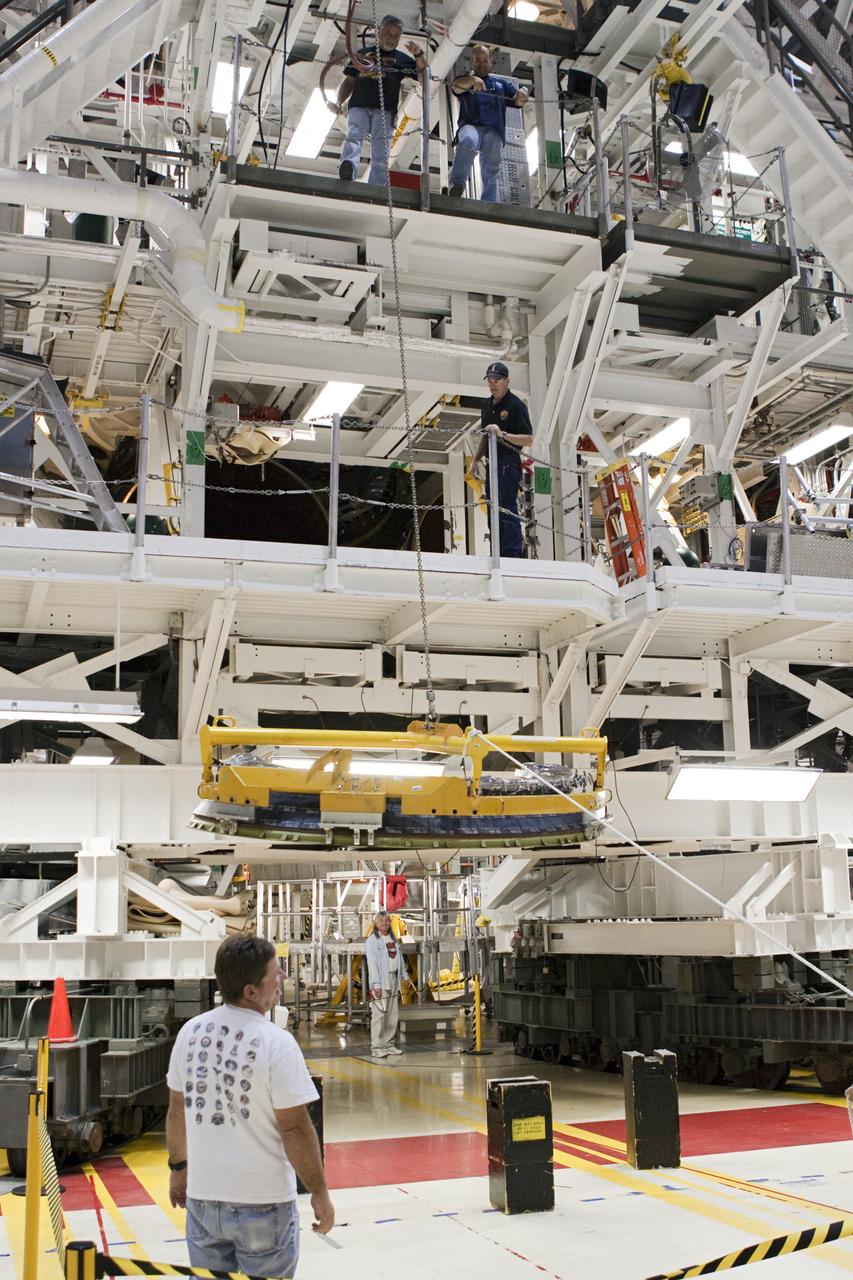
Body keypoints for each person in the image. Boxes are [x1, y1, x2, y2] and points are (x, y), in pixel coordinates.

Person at [166, 935, 334, 1278]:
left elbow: (177, 1111)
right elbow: (296, 1128)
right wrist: (319, 1191)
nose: (283, 977)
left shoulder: (190, 1033)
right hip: (263, 1204)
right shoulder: (276, 1043)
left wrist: (178, 1169)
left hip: (204, 1204)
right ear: (250, 991)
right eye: (276, 972)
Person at [338, 15, 425, 186]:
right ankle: (348, 168)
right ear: (379, 32)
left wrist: (419, 54)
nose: (391, 38)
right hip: (359, 105)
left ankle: (377, 187)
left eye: (395, 36)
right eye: (388, 33)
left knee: (381, 151)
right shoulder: (362, 54)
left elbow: (423, 75)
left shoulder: (401, 59)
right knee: (354, 136)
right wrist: (339, 102)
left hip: (385, 110)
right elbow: (349, 80)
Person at [448, 45, 529, 201]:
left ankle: (489, 200)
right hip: (472, 127)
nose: (481, 63)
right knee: (468, 140)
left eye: (485, 60)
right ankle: (457, 185)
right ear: (471, 61)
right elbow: (456, 88)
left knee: (492, 164)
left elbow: (518, 101)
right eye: (477, 60)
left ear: (491, 61)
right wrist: (472, 80)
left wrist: (523, 93)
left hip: (494, 131)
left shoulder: (501, 85)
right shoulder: (464, 80)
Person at [471, 361, 533, 558]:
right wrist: (475, 459)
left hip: (508, 460)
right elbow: (484, 436)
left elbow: (529, 439)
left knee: (506, 506)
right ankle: (496, 551)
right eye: (490, 380)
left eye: (496, 380)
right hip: (492, 462)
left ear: (506, 381)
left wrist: (503, 435)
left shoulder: (516, 405)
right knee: (492, 508)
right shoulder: (486, 405)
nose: (492, 384)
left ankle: (512, 553)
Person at [364, 909, 403, 1058]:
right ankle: (377, 1047)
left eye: (386, 920)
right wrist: (376, 985)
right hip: (381, 981)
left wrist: (404, 977)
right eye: (380, 920)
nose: (384, 923)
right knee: (379, 1014)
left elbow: (400, 959)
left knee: (392, 1014)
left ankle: (389, 1044)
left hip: (394, 979)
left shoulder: (393, 939)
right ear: (375, 923)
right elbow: (372, 964)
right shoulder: (372, 941)